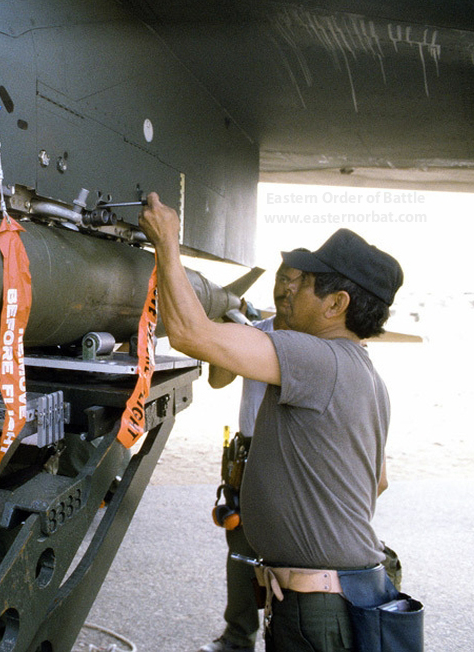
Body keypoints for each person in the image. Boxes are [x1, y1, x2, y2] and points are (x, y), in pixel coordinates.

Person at [139, 193, 403, 651]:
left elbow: (189, 334)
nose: (288, 292)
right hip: (327, 597)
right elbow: (376, 482)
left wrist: (167, 243)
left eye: (305, 284)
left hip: (320, 609)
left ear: (336, 304)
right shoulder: (366, 374)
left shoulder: (317, 357)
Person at [200, 261, 299, 652]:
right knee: (241, 553)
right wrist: (228, 334)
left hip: (291, 455)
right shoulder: (255, 334)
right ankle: (238, 638)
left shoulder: (313, 344)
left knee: (292, 555)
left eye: (296, 282)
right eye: (281, 279)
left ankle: (290, 638)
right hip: (249, 452)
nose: (285, 289)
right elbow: (217, 379)